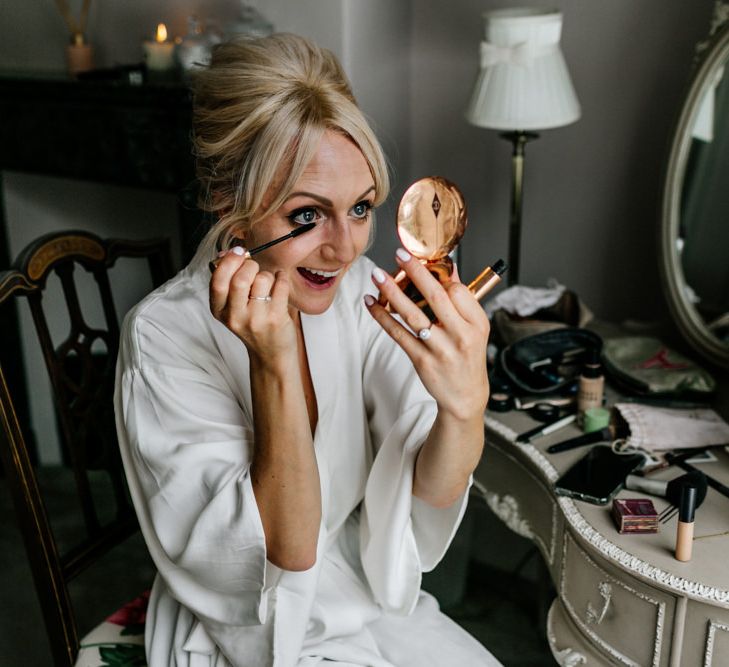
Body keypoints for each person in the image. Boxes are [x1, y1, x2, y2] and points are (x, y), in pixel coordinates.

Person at [114, 33, 501, 666]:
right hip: (245, 623)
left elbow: (427, 492)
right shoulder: (162, 338)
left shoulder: (353, 296)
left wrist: (464, 405)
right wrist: (273, 366)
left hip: (360, 591)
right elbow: (283, 556)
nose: (345, 249)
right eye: (305, 216)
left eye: (359, 207)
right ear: (226, 201)